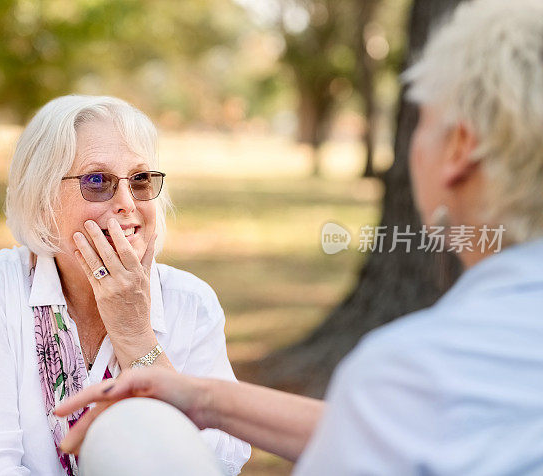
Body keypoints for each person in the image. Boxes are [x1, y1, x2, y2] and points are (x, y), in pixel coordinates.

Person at [54, 0, 543, 473]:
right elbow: (398, 427)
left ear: (460, 148)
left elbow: (401, 419)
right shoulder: (433, 387)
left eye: (423, 121)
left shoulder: (415, 374)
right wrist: (206, 399)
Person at [0, 95, 250, 475]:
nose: (127, 203)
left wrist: (136, 337)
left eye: (140, 180)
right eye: (97, 181)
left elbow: (219, 462)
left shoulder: (192, 302)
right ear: (43, 201)